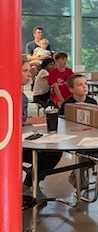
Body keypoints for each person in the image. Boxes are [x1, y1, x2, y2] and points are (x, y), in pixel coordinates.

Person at [21, 59, 62, 198]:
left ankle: (29, 184)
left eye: (29, 71)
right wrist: (32, 120)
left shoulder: (23, 97)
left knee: (53, 152)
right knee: (48, 153)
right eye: (25, 71)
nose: (30, 75)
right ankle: (28, 185)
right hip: (11, 145)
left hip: (21, 139)